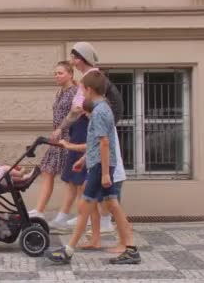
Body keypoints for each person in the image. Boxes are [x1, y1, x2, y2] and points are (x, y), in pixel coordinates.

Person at [46, 71, 141, 265]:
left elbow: (104, 143)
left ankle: (68, 250)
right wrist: (84, 159)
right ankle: (130, 247)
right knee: (112, 204)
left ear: (89, 90)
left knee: (84, 207)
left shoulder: (98, 112)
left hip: (101, 167)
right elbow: (96, 143)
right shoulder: (103, 108)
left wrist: (105, 173)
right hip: (100, 163)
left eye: (81, 89)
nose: (80, 92)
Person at [54, 42, 127, 235]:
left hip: (104, 157)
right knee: (95, 192)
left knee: (104, 193)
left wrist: (61, 129)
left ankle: (114, 231)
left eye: (74, 58)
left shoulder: (96, 97)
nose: (72, 62)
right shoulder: (95, 86)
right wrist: (84, 158)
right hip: (100, 154)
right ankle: (95, 230)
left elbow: (78, 112)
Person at [28, 61, 78, 222]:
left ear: (70, 74)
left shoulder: (75, 92)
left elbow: (76, 115)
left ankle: (63, 215)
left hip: (69, 139)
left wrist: (61, 130)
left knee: (70, 179)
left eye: (60, 73)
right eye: (55, 73)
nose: (56, 76)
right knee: (47, 171)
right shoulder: (60, 92)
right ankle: (40, 210)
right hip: (57, 140)